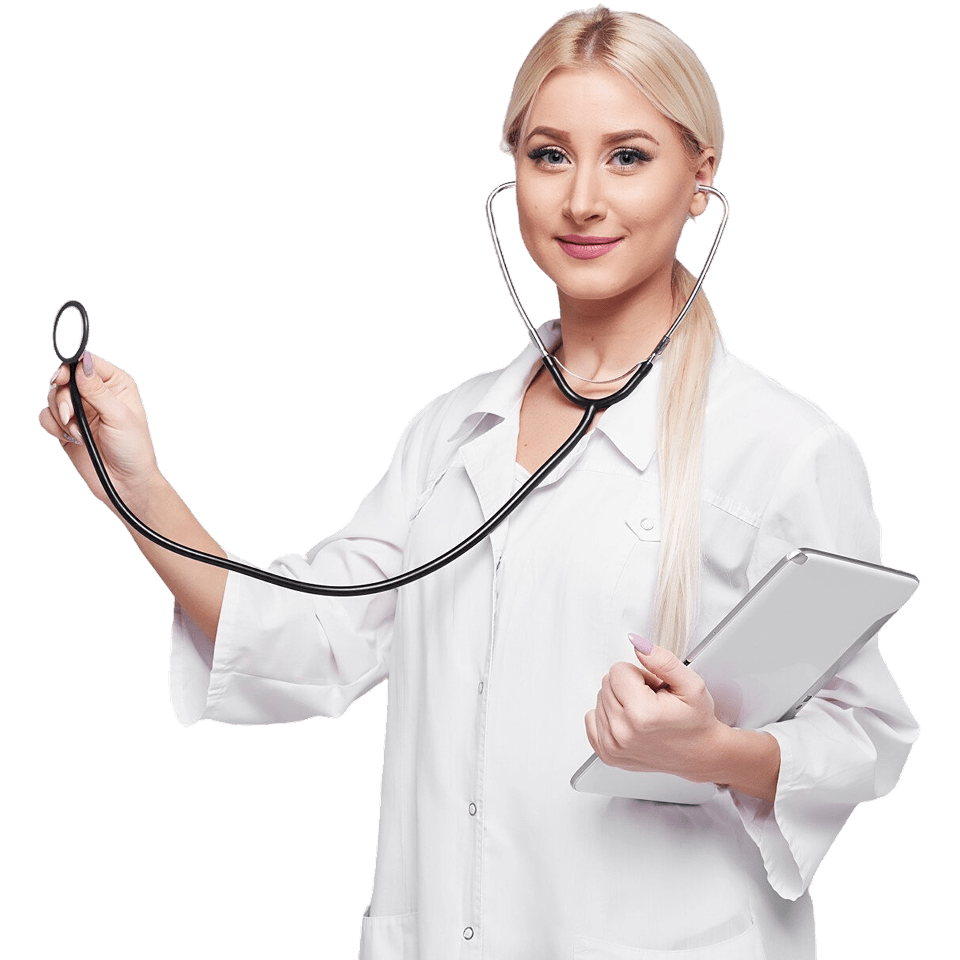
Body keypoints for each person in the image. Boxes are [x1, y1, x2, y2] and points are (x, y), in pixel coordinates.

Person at [40, 6, 918, 958]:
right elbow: (312, 636)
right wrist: (137, 483)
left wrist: (712, 753)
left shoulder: (782, 450)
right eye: (550, 155)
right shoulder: (450, 434)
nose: (582, 200)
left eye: (627, 156)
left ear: (700, 176)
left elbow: (864, 735)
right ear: (515, 172)